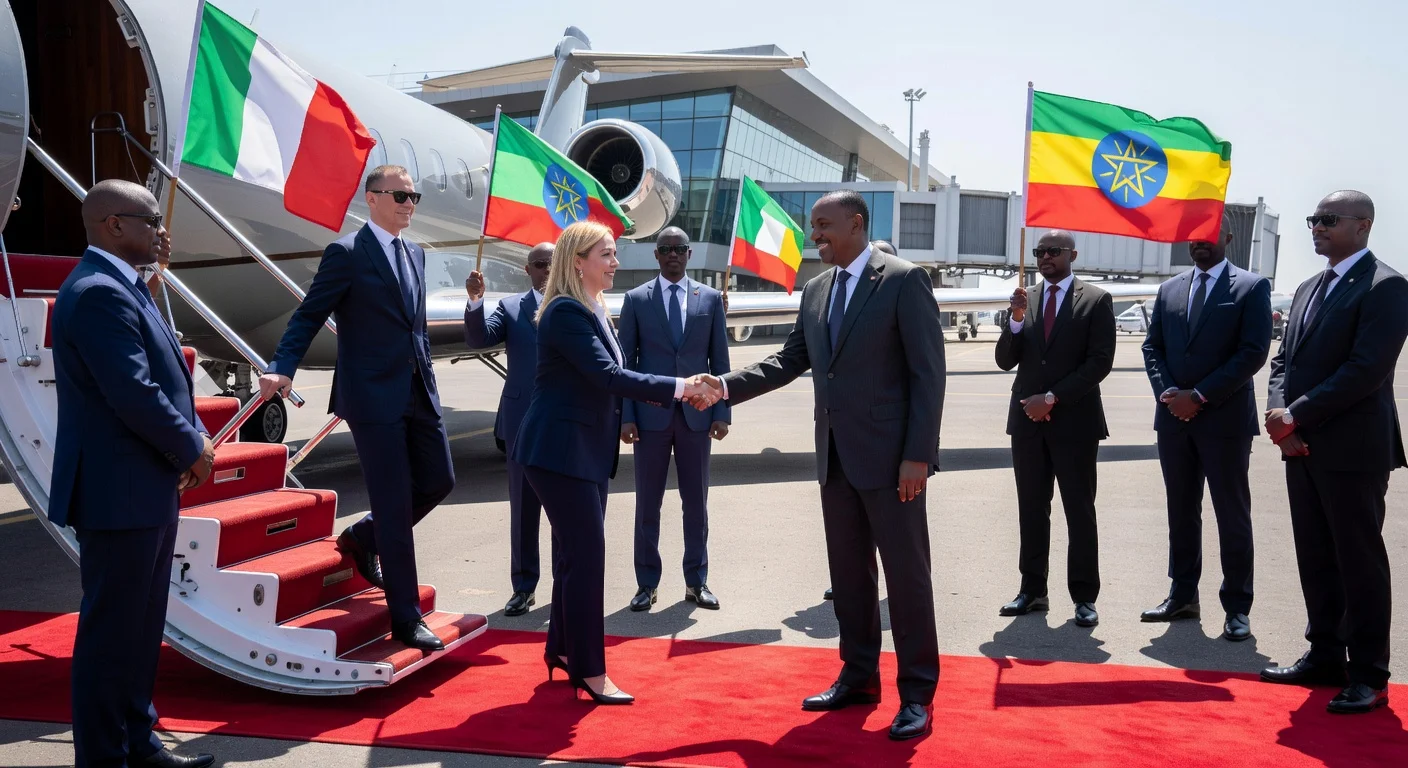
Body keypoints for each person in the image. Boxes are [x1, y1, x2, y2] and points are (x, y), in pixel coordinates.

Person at [696, 190, 945, 741]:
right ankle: (859, 677)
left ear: (856, 224)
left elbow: (929, 375)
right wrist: (724, 388)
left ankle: (918, 695)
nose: (816, 235)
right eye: (814, 226)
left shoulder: (904, 280)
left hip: (893, 463)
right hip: (835, 460)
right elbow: (789, 361)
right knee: (850, 579)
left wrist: (918, 457)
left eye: (824, 225)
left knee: (906, 581)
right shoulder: (815, 291)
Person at [513, 220, 717, 705]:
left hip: (581, 452)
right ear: (578, 261)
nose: (616, 262)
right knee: (586, 560)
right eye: (607, 254)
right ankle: (590, 670)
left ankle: (562, 650)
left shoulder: (592, 308)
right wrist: (682, 387)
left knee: (571, 558)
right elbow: (610, 376)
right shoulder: (565, 311)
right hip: (559, 453)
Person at [50, 179, 215, 768]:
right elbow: (133, 392)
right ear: (112, 226)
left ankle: (138, 743)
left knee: (142, 628)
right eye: (150, 220)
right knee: (111, 634)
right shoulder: (98, 292)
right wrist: (192, 448)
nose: (161, 230)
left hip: (142, 484)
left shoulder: (126, 285)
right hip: (116, 490)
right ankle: (103, 758)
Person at [258, 165, 454, 651]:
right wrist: (282, 366)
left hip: (417, 390)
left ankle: (364, 538)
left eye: (415, 197)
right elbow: (309, 314)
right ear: (372, 198)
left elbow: (415, 328)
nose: (410, 205)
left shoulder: (415, 254)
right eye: (401, 196)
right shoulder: (346, 254)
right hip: (371, 397)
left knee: (438, 480)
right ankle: (405, 619)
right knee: (393, 503)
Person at [1260, 190, 1408, 714]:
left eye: (1328, 220)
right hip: (1300, 444)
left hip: (1353, 448)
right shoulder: (1306, 288)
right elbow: (1283, 362)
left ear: (1363, 225)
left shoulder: (1387, 286)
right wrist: (1281, 420)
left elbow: (1366, 369)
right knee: (1316, 555)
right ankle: (1325, 654)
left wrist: (1295, 415)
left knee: (1358, 560)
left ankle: (1369, 674)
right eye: (1313, 220)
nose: (1316, 228)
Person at [1140, 218, 1271, 640]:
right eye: (1193, 237)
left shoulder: (1250, 287)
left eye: (1209, 235)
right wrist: (1168, 394)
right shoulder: (1170, 289)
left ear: (1227, 238)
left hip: (1224, 419)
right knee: (1181, 509)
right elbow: (1152, 347)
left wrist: (1198, 396)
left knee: (1231, 513)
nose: (1199, 243)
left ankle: (1237, 606)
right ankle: (1182, 595)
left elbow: (1252, 352)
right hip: (1173, 421)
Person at [995, 230, 1115, 628]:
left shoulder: (1096, 300)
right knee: (1031, 509)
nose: (1044, 257)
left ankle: (1084, 597)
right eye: (1039, 251)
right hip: (1027, 423)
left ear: (1072, 254)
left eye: (1052, 251)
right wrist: (1013, 321)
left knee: (1079, 510)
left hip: (1074, 423)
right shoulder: (1024, 299)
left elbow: (1099, 362)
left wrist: (1053, 398)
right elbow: (1005, 361)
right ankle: (1032, 590)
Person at [618, 227, 731, 612]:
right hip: (649, 418)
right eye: (665, 249)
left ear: (689, 253)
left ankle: (696, 582)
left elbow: (720, 361)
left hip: (697, 418)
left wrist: (722, 411)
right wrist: (627, 417)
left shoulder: (711, 299)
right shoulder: (636, 300)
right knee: (647, 504)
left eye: (679, 249)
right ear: (656, 254)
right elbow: (626, 365)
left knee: (696, 503)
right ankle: (646, 584)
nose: (672, 255)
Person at [464, 243, 553, 617]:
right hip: (521, 420)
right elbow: (479, 338)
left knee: (566, 509)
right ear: (527, 269)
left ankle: (567, 586)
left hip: (564, 419)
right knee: (523, 508)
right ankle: (524, 587)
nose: (547, 270)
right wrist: (475, 302)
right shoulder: (512, 307)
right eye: (539, 264)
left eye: (553, 263)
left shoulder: (578, 304)